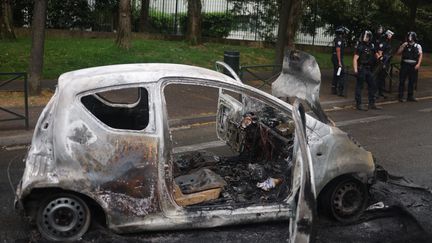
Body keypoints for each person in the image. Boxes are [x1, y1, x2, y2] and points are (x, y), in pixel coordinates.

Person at [353, 30, 380, 110]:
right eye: (364, 36)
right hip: (362, 68)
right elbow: (355, 59)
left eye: (367, 36)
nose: (365, 38)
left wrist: (381, 58)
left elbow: (377, 54)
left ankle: (372, 103)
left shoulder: (372, 46)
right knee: (359, 86)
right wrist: (355, 70)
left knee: (372, 85)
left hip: (369, 68)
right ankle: (359, 104)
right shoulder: (360, 46)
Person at [397, 31, 423, 102]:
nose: (409, 38)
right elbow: (398, 53)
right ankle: (400, 96)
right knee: (402, 80)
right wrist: (403, 46)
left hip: (413, 65)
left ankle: (410, 96)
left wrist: (418, 64)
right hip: (405, 64)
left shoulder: (417, 46)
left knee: (412, 81)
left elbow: (420, 55)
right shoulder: (405, 45)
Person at [374, 29, 394, 99]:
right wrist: (382, 63)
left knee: (382, 78)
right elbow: (380, 53)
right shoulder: (383, 42)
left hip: (386, 62)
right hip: (382, 63)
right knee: (378, 78)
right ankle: (375, 93)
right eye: (390, 35)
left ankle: (381, 92)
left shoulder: (388, 42)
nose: (391, 36)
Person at [331, 26, 349, 96]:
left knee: (336, 73)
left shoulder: (336, 39)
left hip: (335, 57)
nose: (345, 34)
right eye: (344, 33)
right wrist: (339, 62)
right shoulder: (339, 40)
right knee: (342, 73)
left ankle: (334, 88)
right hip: (337, 58)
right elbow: (338, 50)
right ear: (342, 33)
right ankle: (340, 91)